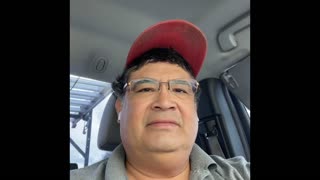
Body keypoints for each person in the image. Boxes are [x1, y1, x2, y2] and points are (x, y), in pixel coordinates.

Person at [70, 19, 250, 180]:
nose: (164, 102)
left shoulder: (240, 173)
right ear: (120, 108)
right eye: (146, 88)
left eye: (180, 89)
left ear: (195, 110)